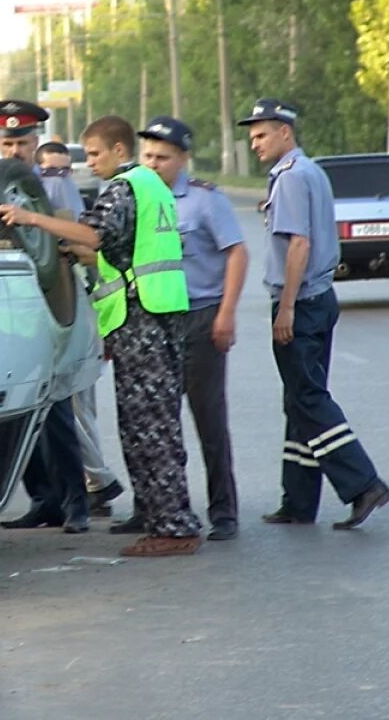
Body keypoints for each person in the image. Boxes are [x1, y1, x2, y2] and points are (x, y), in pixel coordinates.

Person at [0, 115, 203, 556]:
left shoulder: (124, 188)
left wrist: (32, 218)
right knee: (156, 425)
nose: (88, 163)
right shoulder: (154, 187)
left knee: (149, 429)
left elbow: (93, 233)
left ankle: (172, 529)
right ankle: (160, 514)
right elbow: (111, 249)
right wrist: (70, 251)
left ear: (119, 151)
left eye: (93, 154)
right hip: (158, 316)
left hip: (141, 319)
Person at [237, 98, 389, 529]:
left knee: (307, 398)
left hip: (301, 302)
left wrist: (285, 307)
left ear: (285, 132)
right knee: (299, 401)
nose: (255, 143)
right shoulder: (311, 172)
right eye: (251, 136)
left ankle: (364, 485)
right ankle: (299, 500)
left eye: (262, 134)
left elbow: (299, 245)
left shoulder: (289, 178)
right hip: (321, 297)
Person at [132, 116, 248, 541]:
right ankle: (153, 508)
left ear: (182, 158)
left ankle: (224, 512)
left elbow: (237, 253)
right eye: (147, 156)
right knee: (154, 423)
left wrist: (226, 313)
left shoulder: (204, 201)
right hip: (155, 320)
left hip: (201, 317)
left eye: (163, 157)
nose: (154, 163)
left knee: (208, 419)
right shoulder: (137, 196)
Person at [0, 100, 91, 534]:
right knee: (17, 413)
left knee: (58, 410)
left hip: (53, 304)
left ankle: (76, 504)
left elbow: (81, 236)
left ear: (36, 144)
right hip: (12, 312)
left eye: (22, 142)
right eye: (7, 142)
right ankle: (43, 500)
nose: (15, 151)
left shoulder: (56, 187)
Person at [36, 141, 126, 516]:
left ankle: (100, 481)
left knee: (76, 409)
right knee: (68, 411)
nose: (59, 180)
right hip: (52, 328)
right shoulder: (38, 214)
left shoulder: (85, 218)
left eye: (64, 171)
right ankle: (93, 482)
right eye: (50, 172)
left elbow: (98, 274)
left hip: (84, 326)